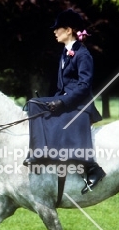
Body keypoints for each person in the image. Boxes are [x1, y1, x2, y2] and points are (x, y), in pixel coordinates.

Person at [23, 9, 106, 194]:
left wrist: (62, 102)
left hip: (80, 105)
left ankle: (92, 167)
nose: (54, 32)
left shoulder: (82, 55)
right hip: (67, 100)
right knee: (34, 104)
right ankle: (40, 152)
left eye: (57, 29)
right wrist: (52, 100)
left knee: (36, 105)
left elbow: (84, 86)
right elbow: (63, 87)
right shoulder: (65, 52)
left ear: (68, 30)